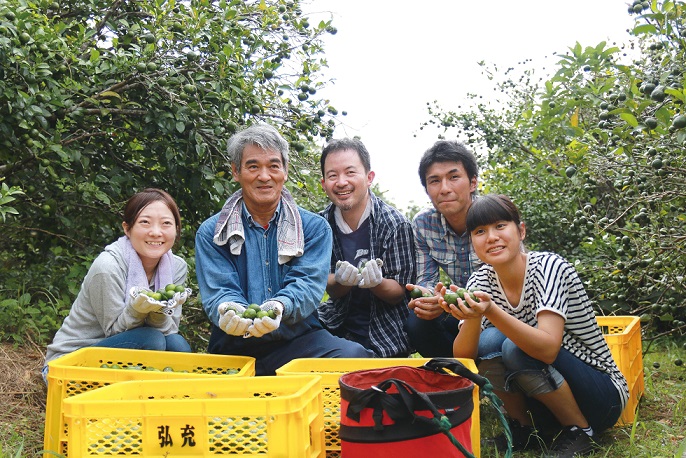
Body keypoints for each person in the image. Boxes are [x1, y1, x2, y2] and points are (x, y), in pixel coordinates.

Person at [443, 194, 628, 457]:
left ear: (520, 231)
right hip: (545, 399)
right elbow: (465, 359)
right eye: (480, 231)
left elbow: (548, 349)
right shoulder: (480, 281)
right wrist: (472, 317)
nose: (491, 237)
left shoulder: (549, 267)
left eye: (500, 226)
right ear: (472, 242)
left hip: (601, 396)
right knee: (487, 342)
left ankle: (580, 431)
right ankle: (526, 428)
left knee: (515, 348)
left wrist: (492, 311)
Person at [195, 124, 374, 376]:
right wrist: (230, 310)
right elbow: (220, 291)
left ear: (285, 171)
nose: (264, 176)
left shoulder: (314, 228)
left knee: (353, 358)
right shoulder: (212, 232)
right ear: (236, 172)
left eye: (273, 166)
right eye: (253, 166)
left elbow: (307, 285)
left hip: (299, 341)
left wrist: (279, 306)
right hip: (235, 346)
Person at [43, 188, 192, 380]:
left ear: (176, 229)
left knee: (178, 345)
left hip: (122, 350)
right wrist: (139, 309)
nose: (156, 232)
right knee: (151, 339)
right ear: (127, 228)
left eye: (166, 224)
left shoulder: (176, 267)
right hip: (69, 363)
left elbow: (170, 329)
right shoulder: (108, 266)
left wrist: (157, 311)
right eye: (145, 222)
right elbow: (114, 331)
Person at [318, 138, 415, 357]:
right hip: (336, 319)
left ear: (369, 178)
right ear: (324, 183)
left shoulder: (395, 224)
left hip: (386, 326)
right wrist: (340, 280)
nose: (342, 182)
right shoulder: (320, 226)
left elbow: (398, 293)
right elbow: (327, 287)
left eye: (350, 172)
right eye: (333, 175)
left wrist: (377, 283)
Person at [404, 140, 482, 357]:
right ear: (427, 189)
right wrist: (430, 297)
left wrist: (449, 298)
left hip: (497, 309)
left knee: (491, 340)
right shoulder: (423, 224)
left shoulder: (494, 218)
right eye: (435, 181)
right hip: (455, 308)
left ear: (472, 182)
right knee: (417, 322)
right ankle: (454, 377)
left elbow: (509, 284)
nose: (445, 188)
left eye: (454, 177)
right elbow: (426, 278)